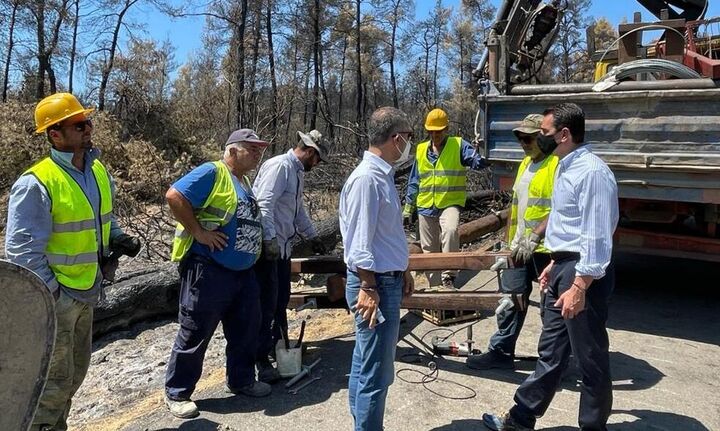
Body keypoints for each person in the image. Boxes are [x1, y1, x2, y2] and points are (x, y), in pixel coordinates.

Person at [5, 92, 139, 431]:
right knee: (51, 384)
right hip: (57, 300)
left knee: (74, 376)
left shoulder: (96, 172)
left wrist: (117, 238)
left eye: (88, 122)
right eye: (79, 125)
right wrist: (54, 295)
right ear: (54, 134)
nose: (88, 128)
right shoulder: (36, 183)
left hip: (87, 292)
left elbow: (103, 219)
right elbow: (21, 254)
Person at [482, 103, 619, 431]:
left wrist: (579, 285)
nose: (539, 139)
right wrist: (555, 263)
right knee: (551, 351)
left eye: (544, 133)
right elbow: (566, 222)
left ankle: (592, 426)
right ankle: (521, 417)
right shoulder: (563, 167)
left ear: (564, 134)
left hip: (582, 273)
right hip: (563, 266)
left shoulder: (592, 173)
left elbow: (597, 235)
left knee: (590, 358)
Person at [164, 129, 272, 419]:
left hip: (242, 272)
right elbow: (175, 196)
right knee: (196, 330)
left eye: (259, 149)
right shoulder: (213, 172)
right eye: (252, 148)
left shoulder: (244, 181)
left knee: (246, 328)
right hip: (208, 268)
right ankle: (178, 393)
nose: (258, 153)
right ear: (233, 151)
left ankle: (241, 380)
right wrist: (198, 233)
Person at [339, 106, 415, 430]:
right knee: (376, 374)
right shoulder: (368, 179)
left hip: (384, 280)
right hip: (376, 286)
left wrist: (404, 269)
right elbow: (359, 243)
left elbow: (384, 235)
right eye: (408, 137)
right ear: (395, 138)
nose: (410, 144)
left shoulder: (380, 175)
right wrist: (369, 287)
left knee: (364, 363)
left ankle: (363, 425)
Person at [467, 114, 559, 370]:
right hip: (519, 247)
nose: (523, 142)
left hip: (547, 249)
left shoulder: (556, 165)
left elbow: (561, 208)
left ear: (542, 136)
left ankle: (551, 363)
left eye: (528, 137)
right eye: (520, 137)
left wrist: (537, 237)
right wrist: (508, 242)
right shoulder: (525, 164)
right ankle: (500, 352)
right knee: (510, 300)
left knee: (551, 310)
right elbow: (515, 207)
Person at [252, 129, 329, 382]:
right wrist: (269, 239)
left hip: (282, 249)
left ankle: (279, 346)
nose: (317, 165)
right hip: (268, 250)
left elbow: (297, 213)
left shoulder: (296, 173)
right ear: (309, 152)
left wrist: (312, 236)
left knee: (280, 300)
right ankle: (261, 359)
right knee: (265, 304)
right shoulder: (279, 167)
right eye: (317, 159)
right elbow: (264, 204)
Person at [403, 108, 488, 289]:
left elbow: (478, 162)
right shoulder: (421, 150)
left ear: (446, 129)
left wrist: (483, 148)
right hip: (425, 205)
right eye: (431, 131)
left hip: (450, 202)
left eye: (438, 131)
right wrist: (409, 206)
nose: (435, 135)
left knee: (450, 230)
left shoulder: (458, 145)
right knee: (429, 249)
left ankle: (448, 276)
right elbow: (414, 180)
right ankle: (435, 286)